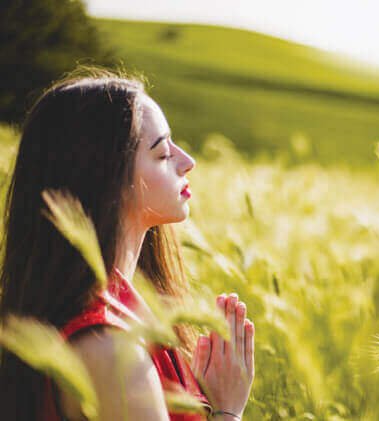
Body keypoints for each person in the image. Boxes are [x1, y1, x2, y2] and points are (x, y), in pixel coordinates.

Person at [0, 67, 255, 420]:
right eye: (163, 153)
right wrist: (228, 410)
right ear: (106, 177)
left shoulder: (130, 308)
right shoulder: (109, 351)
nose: (187, 162)